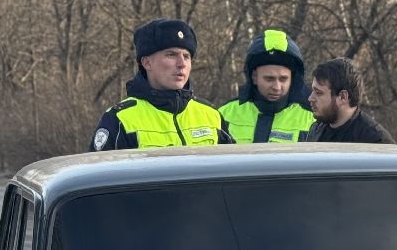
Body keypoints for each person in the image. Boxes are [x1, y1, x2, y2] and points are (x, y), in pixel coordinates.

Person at [89, 18, 230, 151]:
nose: (181, 64)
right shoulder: (120, 120)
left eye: (186, 56)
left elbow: (231, 172)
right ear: (147, 63)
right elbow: (98, 175)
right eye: (171, 55)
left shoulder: (211, 116)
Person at [218, 29, 316, 144]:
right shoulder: (225, 114)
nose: (277, 87)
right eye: (269, 79)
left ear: (292, 78)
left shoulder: (312, 119)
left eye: (283, 79)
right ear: (254, 77)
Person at [306, 57, 394, 143]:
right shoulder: (316, 131)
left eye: (318, 93)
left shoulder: (375, 141)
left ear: (343, 97)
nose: (310, 98)